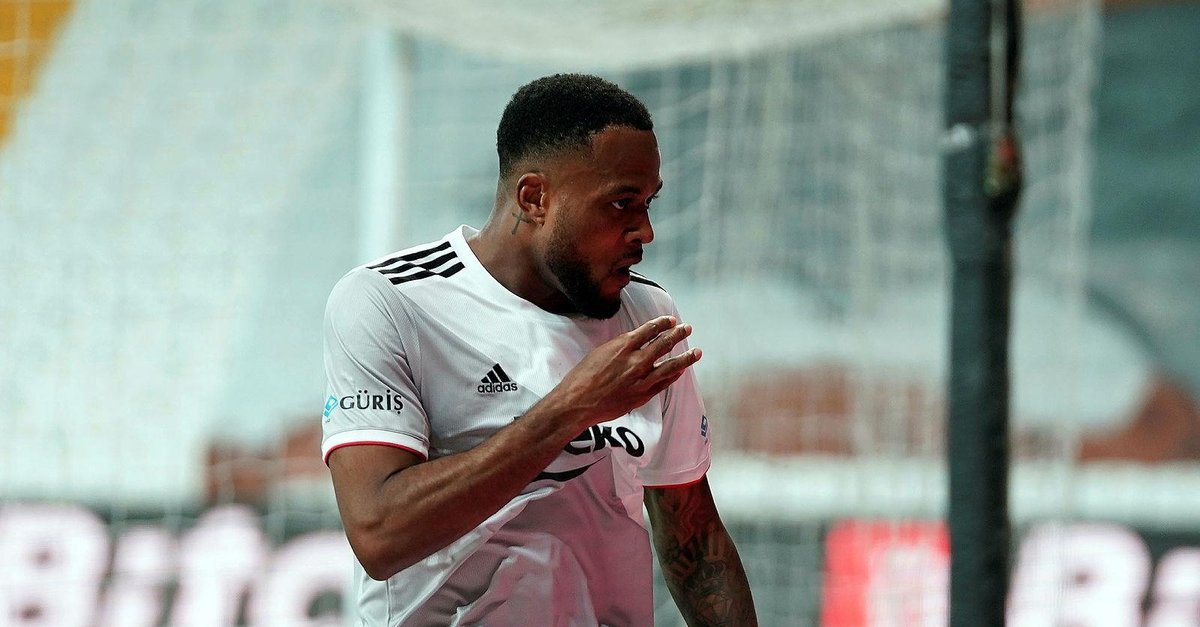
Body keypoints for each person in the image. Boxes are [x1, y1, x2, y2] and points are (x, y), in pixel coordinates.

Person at [321, 73, 757, 626]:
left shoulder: (646, 316)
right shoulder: (389, 302)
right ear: (534, 198)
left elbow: (693, 537)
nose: (645, 231)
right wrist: (572, 408)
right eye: (621, 203)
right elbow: (379, 535)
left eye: (648, 203)